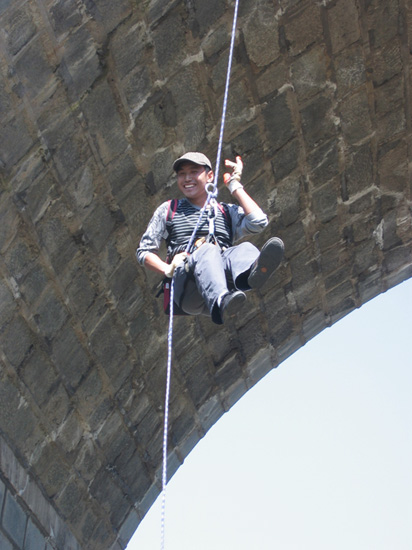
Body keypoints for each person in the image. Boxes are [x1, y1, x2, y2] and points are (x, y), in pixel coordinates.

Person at [136, 152, 284, 324]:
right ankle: (222, 301)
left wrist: (234, 185)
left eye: (193, 172)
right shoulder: (169, 209)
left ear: (210, 176)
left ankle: (250, 274)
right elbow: (144, 252)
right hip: (188, 285)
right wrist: (167, 269)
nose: (187, 178)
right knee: (207, 250)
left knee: (245, 248)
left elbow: (258, 221)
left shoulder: (225, 211)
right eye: (182, 174)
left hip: (220, 278)